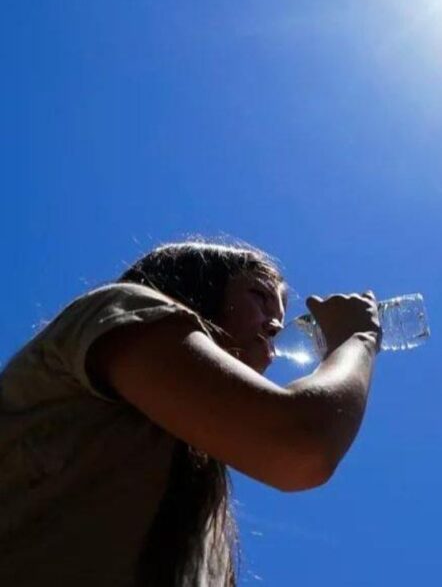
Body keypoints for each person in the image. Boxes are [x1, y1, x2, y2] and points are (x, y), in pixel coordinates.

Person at [0, 240, 381, 586]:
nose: (276, 324)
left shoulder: (196, 486)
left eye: (279, 316)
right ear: (199, 286)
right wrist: (356, 339)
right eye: (260, 296)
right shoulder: (122, 309)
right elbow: (302, 444)